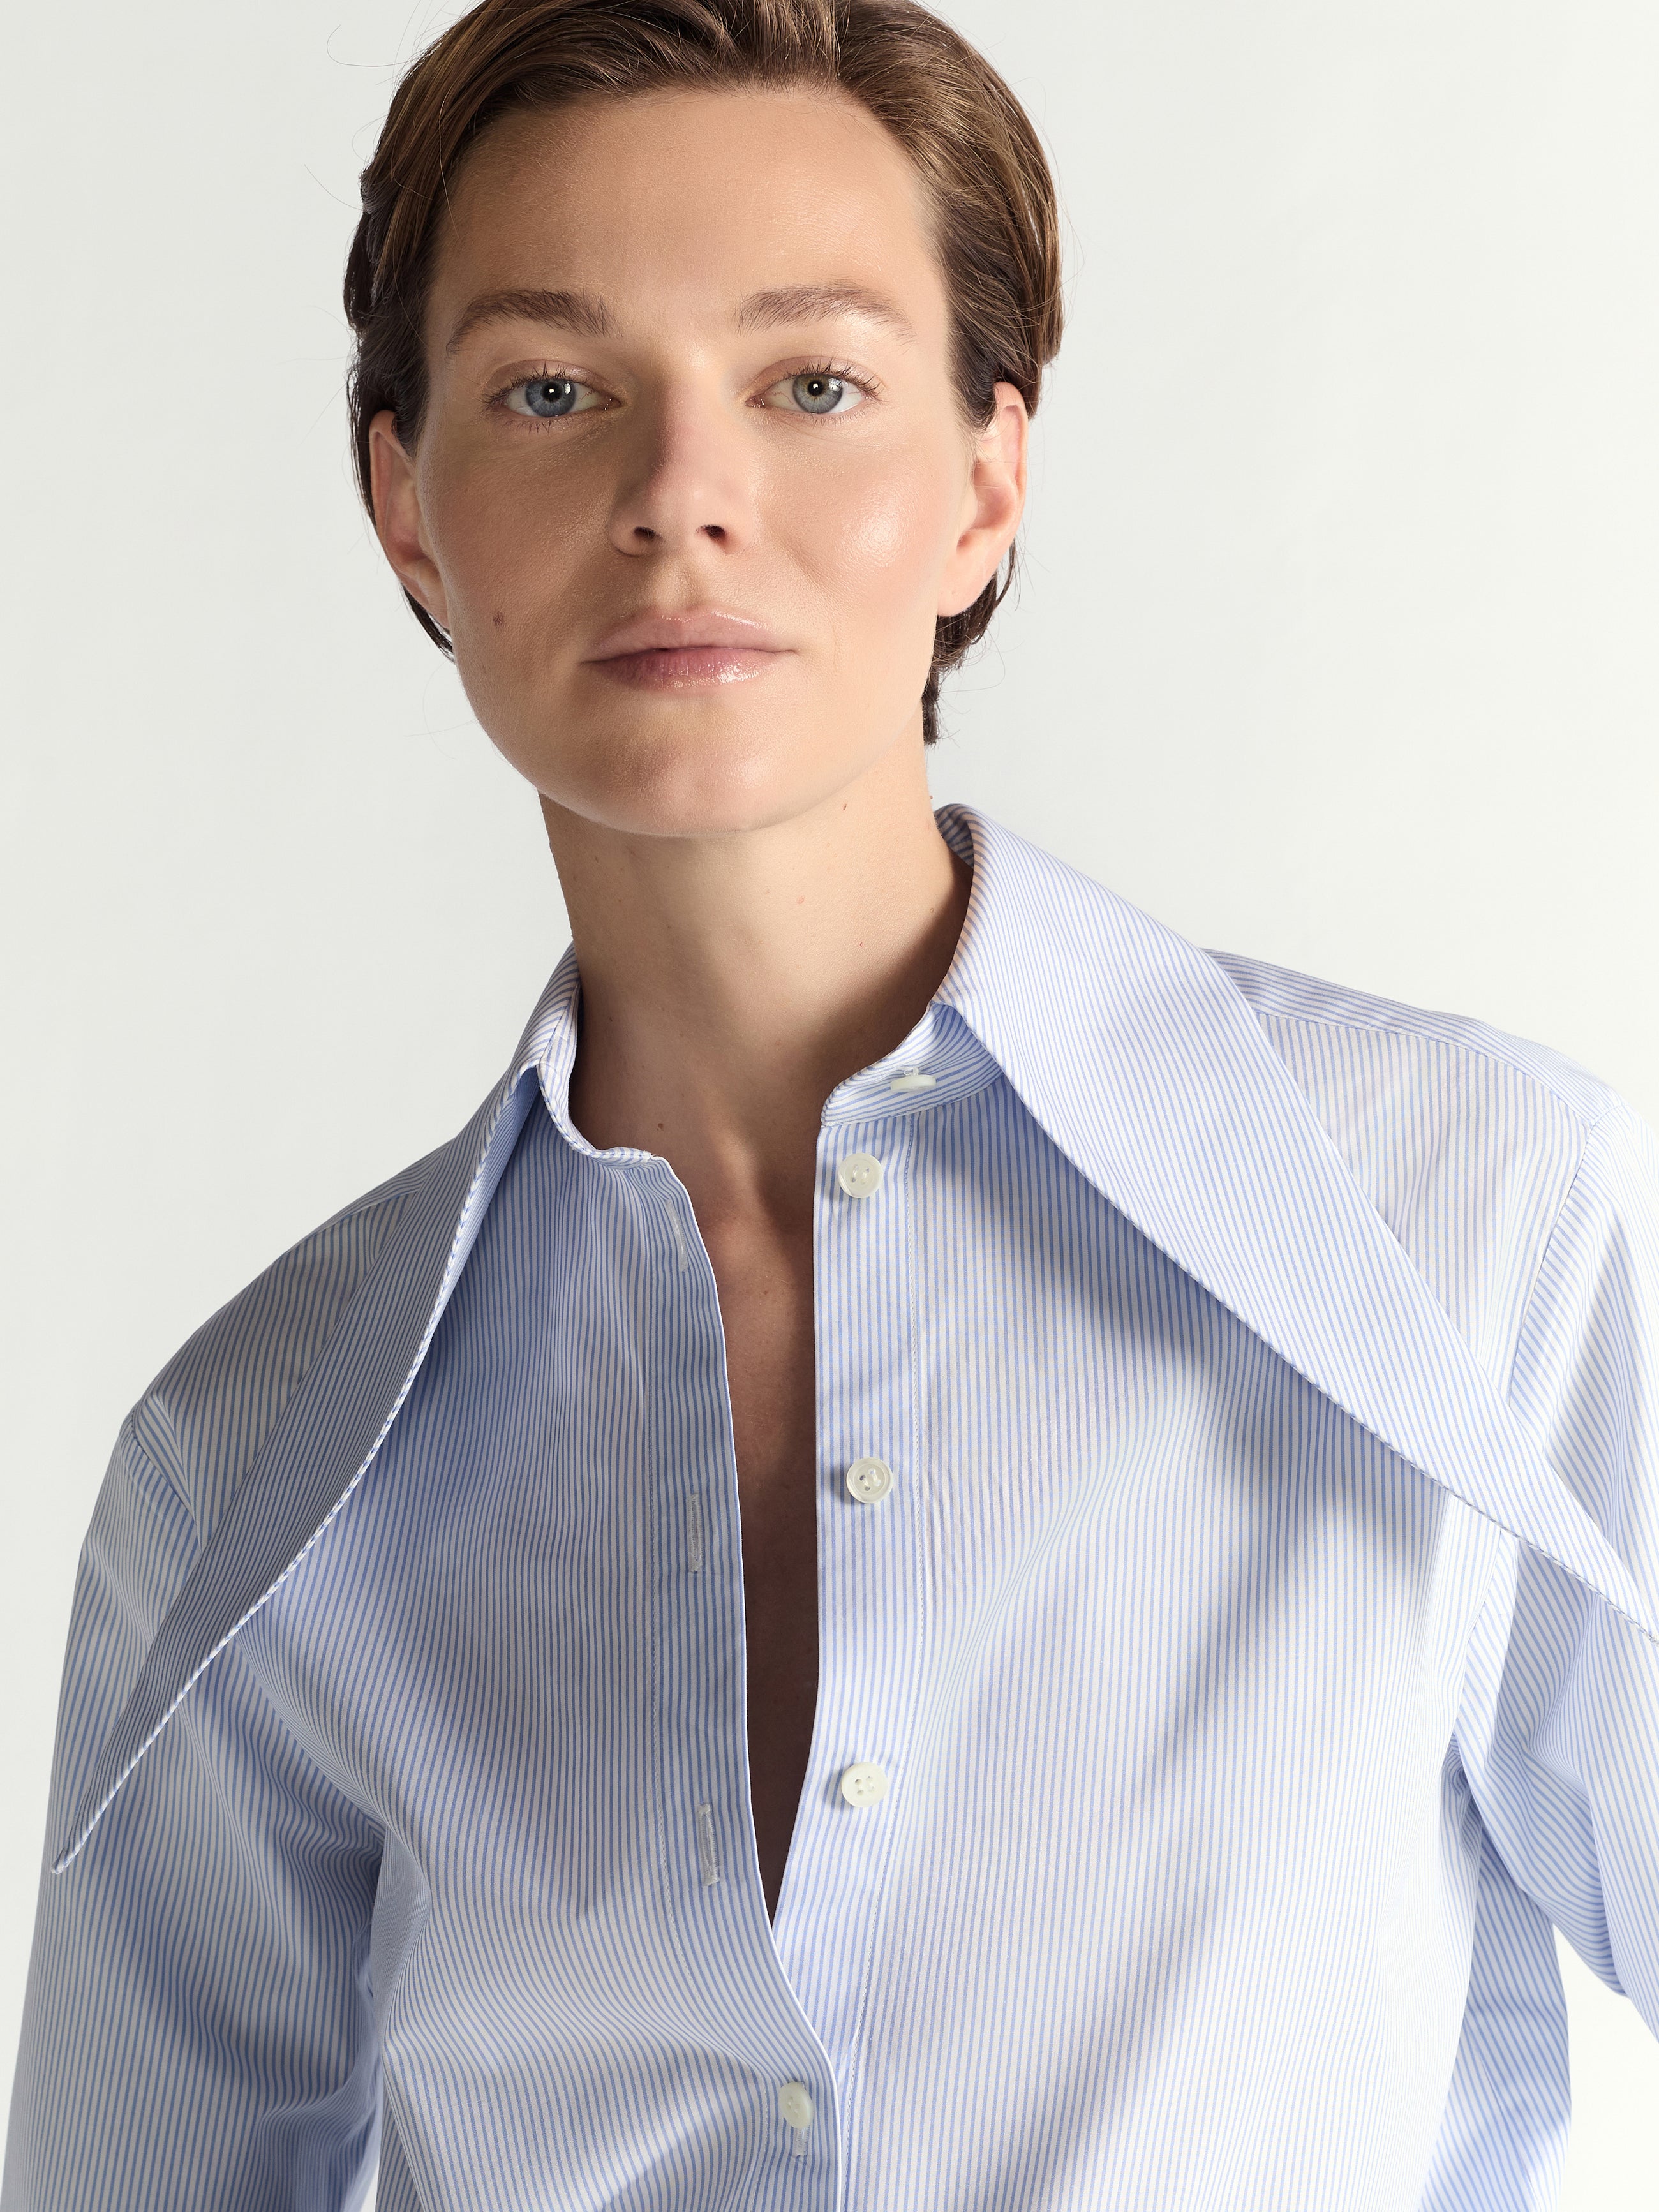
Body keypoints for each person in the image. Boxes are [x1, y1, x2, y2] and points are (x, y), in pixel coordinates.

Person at [6, 0, 1658, 2204]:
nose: (681, 491)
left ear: (988, 477)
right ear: (406, 501)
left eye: (811, 384)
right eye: (552, 389)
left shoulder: (1471, 1218)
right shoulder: (253, 1461)